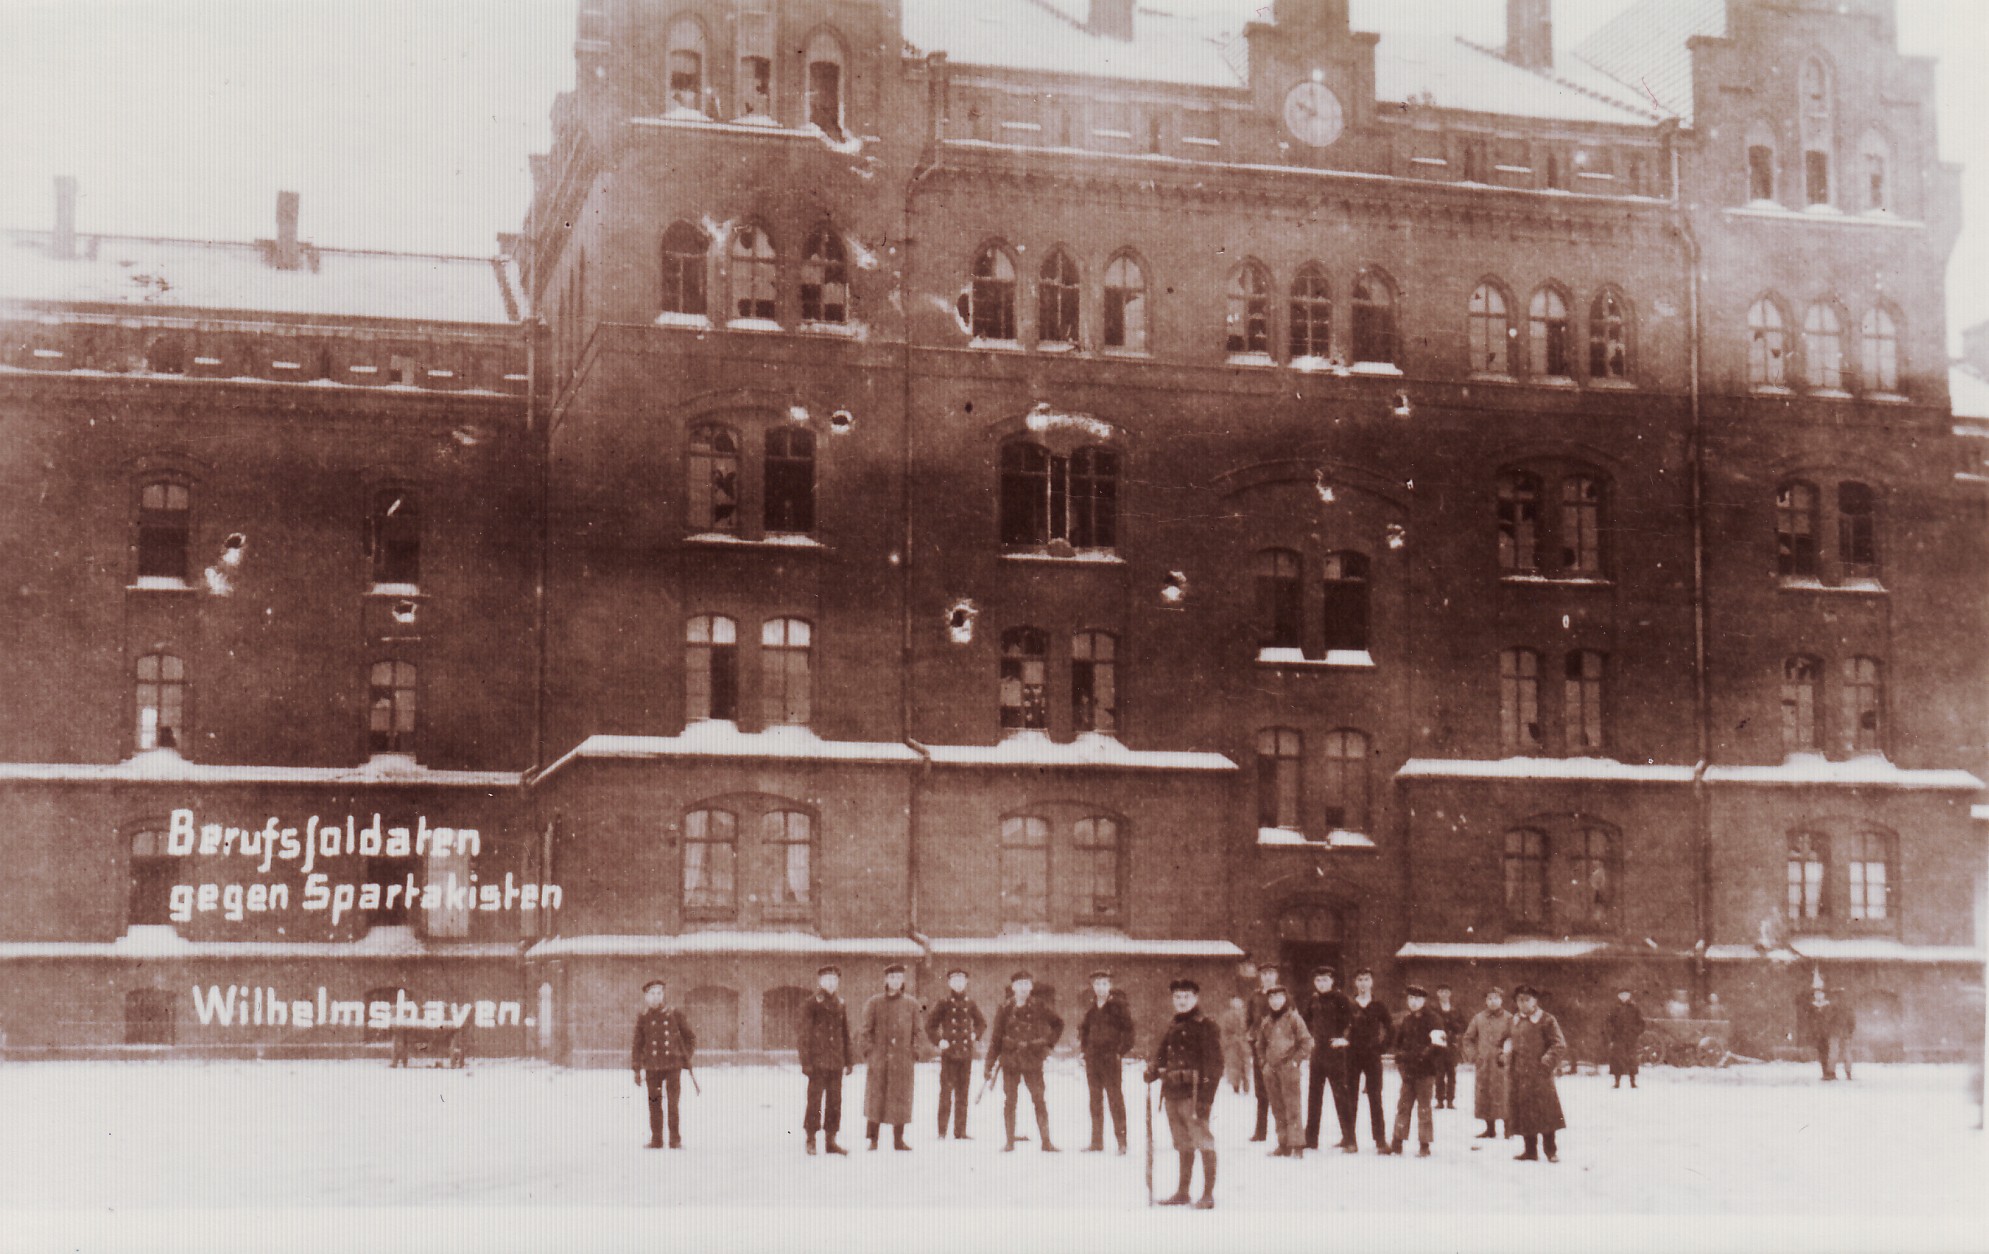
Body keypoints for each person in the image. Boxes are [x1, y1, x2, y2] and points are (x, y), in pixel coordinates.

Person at [1145, 977, 1224, 1209]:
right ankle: (1183, 1191)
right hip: (1172, 1093)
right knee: (1182, 1142)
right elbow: (1161, 1055)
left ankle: (1208, 1195)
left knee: (1203, 1141)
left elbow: (1215, 1066)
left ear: (1196, 998)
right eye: (1177, 997)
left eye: (1186, 997)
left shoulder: (1206, 1026)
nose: (1181, 1001)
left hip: (1194, 1094)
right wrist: (1152, 1071)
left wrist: (1206, 1101)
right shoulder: (1173, 1025)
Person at [985, 970, 1065, 1152]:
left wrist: (1047, 1044)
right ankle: (1009, 1142)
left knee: (1038, 1099)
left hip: (1032, 1059)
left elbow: (1058, 1024)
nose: (1023, 988)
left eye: (1026, 984)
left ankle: (1046, 1141)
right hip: (1010, 1060)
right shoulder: (1005, 1008)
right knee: (1010, 1100)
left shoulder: (1039, 1006)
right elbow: (996, 1038)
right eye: (1019, 984)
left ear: (1031, 986)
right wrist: (989, 1064)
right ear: (1013, 987)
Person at [630, 977, 696, 1149]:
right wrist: (636, 1069)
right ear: (646, 996)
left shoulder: (675, 1014)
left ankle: (675, 1139)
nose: (656, 997)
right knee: (654, 1103)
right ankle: (657, 1139)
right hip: (652, 1067)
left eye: (659, 993)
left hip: (672, 1066)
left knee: (673, 1104)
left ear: (663, 995)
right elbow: (637, 1044)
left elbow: (690, 1037)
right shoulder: (643, 1017)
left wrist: (685, 1057)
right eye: (652, 994)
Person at [1505, 984, 1568, 1162]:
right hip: (1520, 1074)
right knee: (1525, 1111)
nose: (1523, 1003)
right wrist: (1505, 1054)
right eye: (1519, 1000)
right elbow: (1507, 1039)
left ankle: (1551, 1151)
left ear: (1535, 1001)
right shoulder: (1514, 1020)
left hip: (1540, 1074)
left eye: (1527, 999)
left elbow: (1559, 1044)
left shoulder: (1547, 1020)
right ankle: (1530, 1151)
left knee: (1545, 1112)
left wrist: (1546, 1062)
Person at [862, 963, 921, 1151]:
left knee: (900, 1098)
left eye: (899, 977)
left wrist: (914, 1052)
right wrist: (870, 1053)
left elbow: (918, 1032)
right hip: (879, 1059)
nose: (895, 981)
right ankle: (873, 1139)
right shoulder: (874, 1002)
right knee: (876, 1098)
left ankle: (898, 1139)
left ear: (903, 980)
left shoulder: (912, 1004)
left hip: (902, 1060)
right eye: (892, 977)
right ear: (886, 980)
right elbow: (865, 1031)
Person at [1252, 984, 1314, 1157]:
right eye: (1271, 998)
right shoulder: (1266, 1022)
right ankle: (1283, 1143)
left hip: (1289, 1069)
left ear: (1285, 999)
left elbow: (1307, 1042)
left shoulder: (1294, 1018)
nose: (1275, 1001)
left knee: (1292, 1107)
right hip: (1271, 1071)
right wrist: (1264, 1063)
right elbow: (1260, 1045)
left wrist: (1294, 1061)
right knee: (1277, 1107)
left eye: (1279, 997)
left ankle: (1297, 1145)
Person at [926, 967, 987, 1140]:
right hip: (949, 1054)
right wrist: (939, 1041)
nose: (958, 983)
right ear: (949, 983)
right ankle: (942, 1131)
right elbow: (930, 1025)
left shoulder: (970, 1003)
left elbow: (981, 1023)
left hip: (965, 1054)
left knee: (963, 1093)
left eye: (961, 980)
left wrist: (976, 1034)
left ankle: (960, 1131)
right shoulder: (943, 1003)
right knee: (946, 1092)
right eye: (955, 980)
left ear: (966, 982)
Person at [1078, 969, 1135, 1154]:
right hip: (1093, 1060)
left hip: (1110, 1059)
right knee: (1095, 1101)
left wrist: (1119, 1052)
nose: (1100, 987)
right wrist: (1084, 1051)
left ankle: (1122, 1142)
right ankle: (1096, 1142)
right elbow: (1084, 1031)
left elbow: (1129, 1032)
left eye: (1104, 983)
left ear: (1110, 986)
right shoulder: (1092, 1009)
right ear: (1092, 986)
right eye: (1097, 984)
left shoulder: (1118, 1007)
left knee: (1115, 1100)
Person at [799, 964, 853, 1156]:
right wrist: (806, 1062)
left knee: (834, 1102)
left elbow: (845, 1033)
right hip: (817, 1063)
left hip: (836, 1062)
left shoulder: (841, 1003)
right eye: (827, 979)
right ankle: (811, 1139)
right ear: (820, 981)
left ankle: (831, 1141)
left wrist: (849, 1060)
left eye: (834, 980)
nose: (831, 983)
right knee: (814, 1101)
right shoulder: (812, 1003)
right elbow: (804, 1035)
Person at [1301, 966, 1354, 1151]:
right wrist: (1309, 1039)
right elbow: (1304, 1021)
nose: (1321, 984)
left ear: (1332, 981)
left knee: (1341, 1096)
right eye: (1318, 980)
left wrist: (1344, 1038)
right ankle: (1310, 1139)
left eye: (1325, 980)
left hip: (1335, 1053)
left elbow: (1351, 1021)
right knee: (1314, 1096)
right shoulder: (1313, 1000)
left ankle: (1350, 1140)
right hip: (1317, 1053)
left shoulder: (1340, 998)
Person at [1388, 984, 1443, 1157]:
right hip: (1408, 1072)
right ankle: (1397, 1141)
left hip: (1425, 1071)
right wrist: (1401, 1058)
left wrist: (1422, 1056)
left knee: (1424, 1108)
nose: (1413, 1002)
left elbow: (1438, 1045)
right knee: (1403, 1106)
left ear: (1424, 1000)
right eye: (1410, 998)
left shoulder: (1434, 1019)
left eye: (1417, 999)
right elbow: (1398, 1043)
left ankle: (1424, 1144)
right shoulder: (1407, 1020)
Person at [1345, 967, 1394, 1153]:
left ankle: (1380, 1141)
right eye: (1360, 980)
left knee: (1375, 1097)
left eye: (1366, 979)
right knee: (1350, 1098)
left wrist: (1381, 1048)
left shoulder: (1378, 1005)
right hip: (1351, 1056)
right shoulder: (1349, 1004)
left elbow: (1390, 1028)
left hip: (1372, 1057)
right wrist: (1344, 1044)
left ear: (1372, 982)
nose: (1363, 983)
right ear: (1355, 983)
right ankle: (1350, 1140)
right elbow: (1340, 1025)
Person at [1459, 986, 1514, 1139]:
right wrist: (1474, 1056)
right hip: (1484, 1063)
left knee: (1504, 1094)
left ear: (1501, 1000)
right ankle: (1490, 1129)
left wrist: (1506, 1054)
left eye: (1496, 998)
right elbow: (1467, 1038)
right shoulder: (1478, 1018)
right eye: (1489, 998)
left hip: (1502, 1064)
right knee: (1486, 1094)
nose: (1492, 1001)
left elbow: (1514, 1039)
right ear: (1485, 1001)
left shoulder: (1509, 1018)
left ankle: (1508, 1128)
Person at [1244, 963, 1280, 1141]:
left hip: (1279, 1049)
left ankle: (1285, 1131)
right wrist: (1250, 1035)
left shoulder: (1283, 996)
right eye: (1264, 973)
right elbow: (1249, 1020)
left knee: (1280, 1089)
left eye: (1271, 973)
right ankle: (1261, 1131)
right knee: (1261, 1090)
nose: (1267, 977)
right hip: (1260, 1048)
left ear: (1276, 976)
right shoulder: (1255, 997)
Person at [1603, 986, 1645, 1089]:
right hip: (1618, 1037)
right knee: (1617, 1060)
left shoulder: (1635, 1007)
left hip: (1631, 1038)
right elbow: (1608, 1022)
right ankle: (1617, 1082)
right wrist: (1612, 1033)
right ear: (1618, 996)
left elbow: (1641, 1023)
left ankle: (1633, 1082)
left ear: (1629, 996)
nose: (1624, 997)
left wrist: (1635, 1032)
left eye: (1626, 994)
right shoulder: (1614, 1008)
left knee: (1632, 1059)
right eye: (1621, 995)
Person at [1433, 984, 1465, 1109]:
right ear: (1437, 993)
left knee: (1451, 1073)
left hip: (1451, 1045)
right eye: (1441, 991)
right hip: (1438, 1045)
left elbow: (1463, 1025)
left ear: (1450, 993)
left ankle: (1450, 1100)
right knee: (1439, 1073)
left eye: (1446, 991)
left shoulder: (1456, 1010)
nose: (1444, 994)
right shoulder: (1433, 1009)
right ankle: (1440, 1099)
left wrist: (1454, 1028)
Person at [1800, 986, 1839, 1080]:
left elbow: (1833, 1019)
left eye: (1820, 993)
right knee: (1822, 1052)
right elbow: (1809, 1019)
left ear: (1824, 995)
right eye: (1816, 994)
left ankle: (1831, 1071)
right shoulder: (1812, 1006)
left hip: (1828, 1032)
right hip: (1818, 1032)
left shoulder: (1829, 1006)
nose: (1818, 996)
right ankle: (1825, 1071)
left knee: (1830, 1052)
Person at [1218, 996, 1252, 1094]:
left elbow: (1250, 1028)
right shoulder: (1226, 1016)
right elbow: (1223, 1032)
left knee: (1246, 1065)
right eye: (1234, 1004)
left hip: (1244, 1043)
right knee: (1233, 1066)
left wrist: (1247, 1037)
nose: (1237, 1006)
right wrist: (1229, 1040)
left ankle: (1246, 1084)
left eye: (1239, 1004)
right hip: (1232, 1045)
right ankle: (1235, 1086)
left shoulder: (1246, 1015)